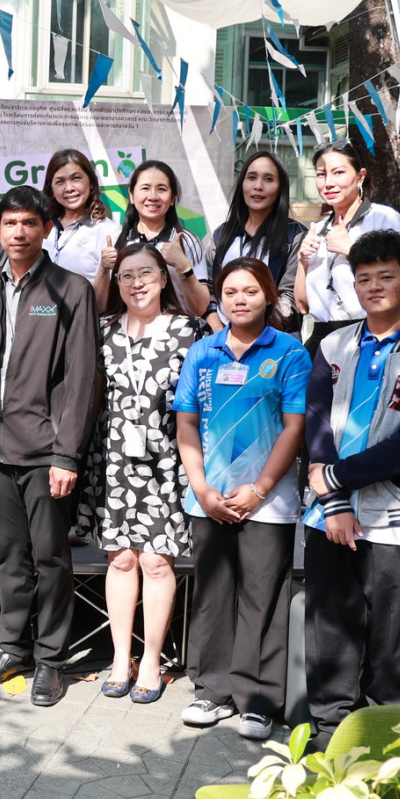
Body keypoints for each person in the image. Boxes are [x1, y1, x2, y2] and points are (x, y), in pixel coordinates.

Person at [302, 231, 400, 747]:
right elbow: (316, 423)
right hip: (329, 516)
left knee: (394, 640)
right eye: (363, 278)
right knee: (329, 631)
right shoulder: (333, 345)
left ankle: (389, 742)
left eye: (386, 276)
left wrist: (334, 478)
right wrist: (334, 500)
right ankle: (329, 734)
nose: (373, 287)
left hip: (395, 519)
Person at [0, 186, 99, 707]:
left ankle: (52, 660)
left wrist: (67, 454)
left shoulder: (71, 289)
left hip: (45, 453)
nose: (19, 233)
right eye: (10, 223)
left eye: (29, 223)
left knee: (51, 558)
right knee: (7, 558)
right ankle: (12, 649)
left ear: (46, 229)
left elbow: (83, 379)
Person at [173, 257, 308, 741]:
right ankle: (211, 690)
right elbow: (186, 423)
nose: (240, 300)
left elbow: (294, 427)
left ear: (269, 296)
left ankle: (259, 700)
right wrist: (201, 487)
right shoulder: (202, 352)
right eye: (230, 292)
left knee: (263, 597)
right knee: (213, 594)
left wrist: (259, 489)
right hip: (208, 497)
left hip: (268, 502)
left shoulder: (290, 353)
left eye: (250, 291)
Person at [75, 243, 205, 703]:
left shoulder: (189, 330)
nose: (136, 283)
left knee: (155, 560)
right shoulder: (104, 330)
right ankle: (119, 658)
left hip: (167, 458)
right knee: (121, 559)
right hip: (113, 457)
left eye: (146, 273)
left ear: (163, 279)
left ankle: (151, 660)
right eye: (127, 275)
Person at [295, 139, 400, 343]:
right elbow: (302, 305)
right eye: (321, 174)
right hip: (321, 339)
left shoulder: (383, 218)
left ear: (360, 177)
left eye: (338, 172)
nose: (328, 182)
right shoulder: (317, 230)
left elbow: (398, 280)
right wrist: (302, 260)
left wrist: (351, 250)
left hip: (370, 336)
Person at [200, 152, 306, 332]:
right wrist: (219, 330)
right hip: (221, 336)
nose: (258, 186)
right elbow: (207, 286)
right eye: (251, 178)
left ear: (281, 187)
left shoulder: (295, 235)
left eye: (268, 179)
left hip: (275, 337)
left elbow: (290, 295)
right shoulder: (221, 235)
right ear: (242, 183)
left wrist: (252, 332)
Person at [115, 159, 210, 316]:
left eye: (161, 189)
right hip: (130, 328)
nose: (152, 196)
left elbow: (200, 308)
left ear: (172, 198)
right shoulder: (118, 241)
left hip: (177, 329)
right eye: (145, 188)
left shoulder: (186, 241)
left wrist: (183, 266)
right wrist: (104, 269)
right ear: (131, 195)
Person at [41, 148, 116, 311]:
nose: (69, 188)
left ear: (91, 182)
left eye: (76, 178)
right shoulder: (43, 228)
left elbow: (106, 305)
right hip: (43, 321)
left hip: (87, 321)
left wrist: (104, 268)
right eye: (60, 182)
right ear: (51, 188)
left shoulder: (108, 232)